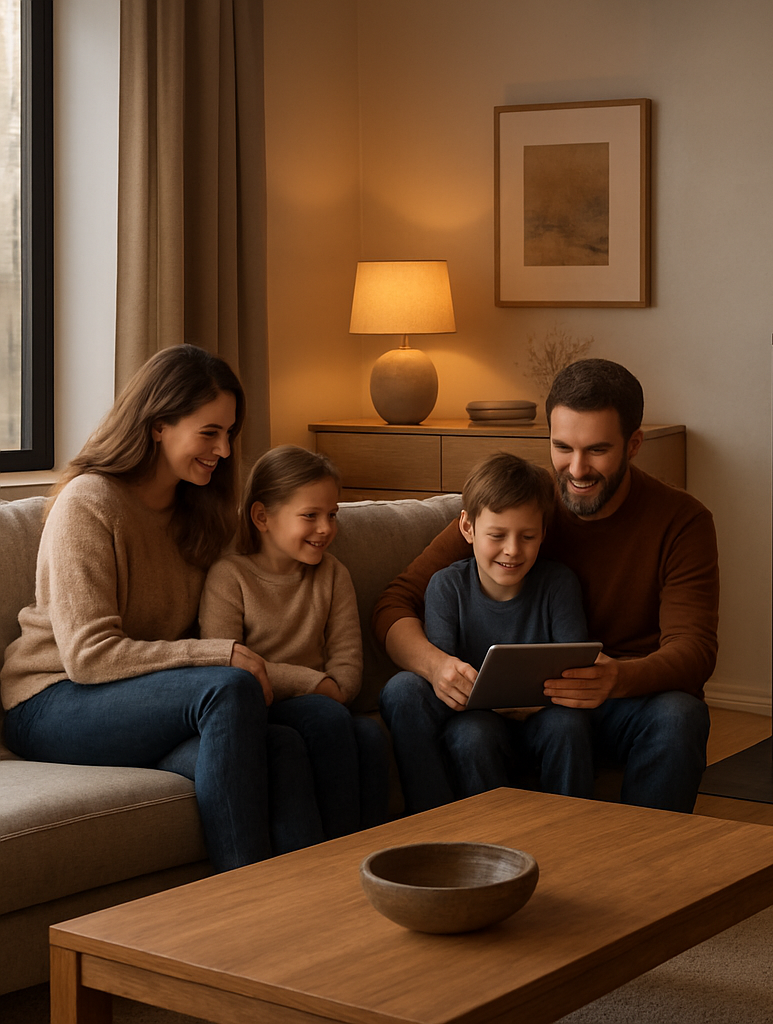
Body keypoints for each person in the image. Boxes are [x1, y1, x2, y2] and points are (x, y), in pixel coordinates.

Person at [0, 344, 322, 871]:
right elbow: (88, 657)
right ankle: (241, 902)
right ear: (158, 425)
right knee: (227, 687)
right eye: (209, 432)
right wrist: (221, 657)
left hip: (136, 704)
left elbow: (218, 638)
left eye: (229, 433)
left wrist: (309, 682)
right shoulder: (90, 501)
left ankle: (307, 914)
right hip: (52, 701)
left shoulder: (197, 514)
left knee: (282, 745)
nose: (223, 450)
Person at [373, 358, 719, 813]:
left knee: (681, 715)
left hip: (617, 699)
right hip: (507, 707)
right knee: (404, 691)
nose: (576, 470)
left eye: (597, 450)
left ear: (633, 444)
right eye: (562, 447)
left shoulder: (683, 521)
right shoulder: (523, 505)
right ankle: (437, 840)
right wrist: (437, 666)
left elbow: (694, 650)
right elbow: (394, 603)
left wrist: (616, 677)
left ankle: (643, 867)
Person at [379, 452, 591, 812]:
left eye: (528, 536)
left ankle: (571, 832)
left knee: (568, 727)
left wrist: (540, 699)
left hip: (546, 715)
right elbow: (442, 677)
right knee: (460, 726)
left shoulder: (558, 583)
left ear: (543, 534)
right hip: (474, 719)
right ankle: (454, 832)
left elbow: (574, 664)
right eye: (497, 535)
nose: (512, 550)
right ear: (468, 528)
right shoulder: (446, 586)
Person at [199, 445, 390, 832]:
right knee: (324, 718)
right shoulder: (229, 577)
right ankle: (340, 853)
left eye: (332, 515)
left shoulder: (333, 574)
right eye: (310, 516)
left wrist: (334, 688)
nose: (326, 528)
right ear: (262, 516)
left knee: (370, 734)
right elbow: (225, 662)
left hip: (326, 703)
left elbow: (348, 660)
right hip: (260, 706)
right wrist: (314, 684)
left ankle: (373, 855)